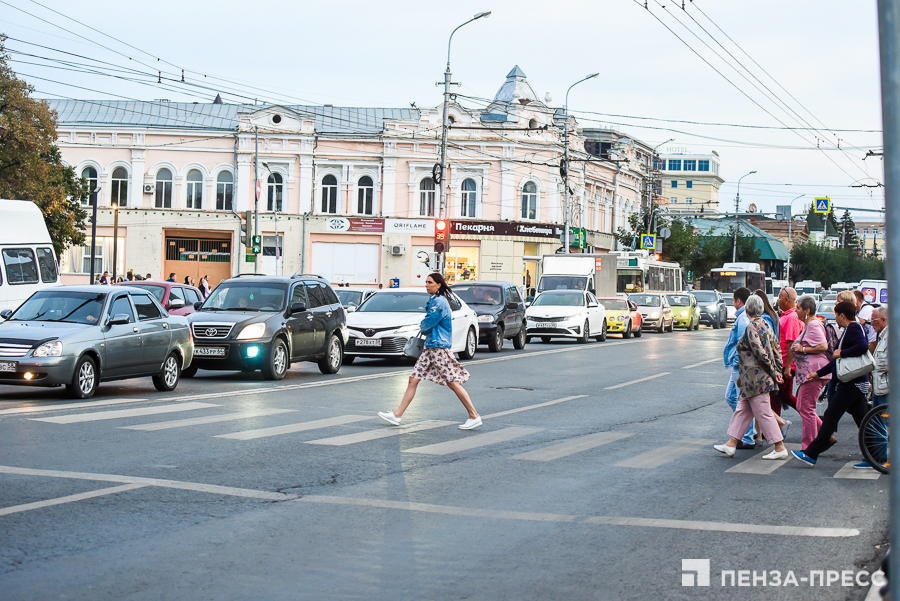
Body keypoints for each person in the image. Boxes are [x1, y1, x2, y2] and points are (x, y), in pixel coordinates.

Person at [378, 272, 481, 430]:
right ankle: (397, 415)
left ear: (438, 285)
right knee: (413, 379)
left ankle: (474, 416)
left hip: (438, 347)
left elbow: (427, 324)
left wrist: (422, 324)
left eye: (430, 282)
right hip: (430, 347)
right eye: (426, 282)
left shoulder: (439, 302)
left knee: (453, 383)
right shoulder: (435, 300)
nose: (426, 285)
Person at [792, 301, 872, 467]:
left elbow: (862, 347)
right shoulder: (851, 328)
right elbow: (836, 360)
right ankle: (874, 456)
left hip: (851, 382)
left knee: (830, 417)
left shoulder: (853, 328)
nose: (835, 319)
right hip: (855, 382)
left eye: (836, 315)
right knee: (862, 420)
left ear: (842, 315)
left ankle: (811, 453)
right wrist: (818, 373)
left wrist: (842, 352)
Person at [714, 295, 788, 459]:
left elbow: (759, 353)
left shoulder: (751, 328)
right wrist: (778, 368)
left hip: (755, 378)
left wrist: (773, 371)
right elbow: (776, 348)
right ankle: (731, 444)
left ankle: (779, 446)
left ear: (746, 310)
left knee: (763, 413)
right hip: (756, 379)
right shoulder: (766, 325)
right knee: (742, 410)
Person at [791, 295, 830, 450]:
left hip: (813, 373)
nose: (796, 310)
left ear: (807, 310)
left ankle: (809, 447)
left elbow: (823, 346)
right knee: (802, 406)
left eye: (798, 308)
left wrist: (803, 349)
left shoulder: (813, 325)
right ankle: (826, 435)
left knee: (807, 409)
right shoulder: (810, 324)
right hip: (810, 373)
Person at [723, 287, 756, 448]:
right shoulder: (743, 317)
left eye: (734, 300)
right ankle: (747, 432)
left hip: (740, 367)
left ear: (738, 301)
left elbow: (744, 344)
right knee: (732, 398)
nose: (733, 304)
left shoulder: (743, 319)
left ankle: (747, 436)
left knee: (742, 402)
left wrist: (739, 364)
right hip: (738, 366)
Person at [772, 287, 802, 434]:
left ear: (786, 299)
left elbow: (791, 344)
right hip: (785, 363)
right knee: (788, 397)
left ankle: (776, 429)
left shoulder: (791, 317)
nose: (777, 300)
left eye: (779, 297)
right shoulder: (788, 315)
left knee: (775, 398)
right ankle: (814, 420)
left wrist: (788, 367)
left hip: (785, 364)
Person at [872, 306, 889, 406]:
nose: (872, 323)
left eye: (874, 320)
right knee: (875, 419)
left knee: (886, 420)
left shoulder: (891, 335)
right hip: (879, 387)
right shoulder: (882, 335)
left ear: (883, 320)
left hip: (886, 388)